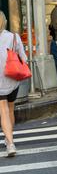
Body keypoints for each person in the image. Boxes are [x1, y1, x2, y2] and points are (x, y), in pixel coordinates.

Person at [0, 11, 27, 157]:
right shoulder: (13, 37)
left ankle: (10, 143)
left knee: (3, 109)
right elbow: (23, 57)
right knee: (10, 109)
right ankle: (9, 138)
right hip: (12, 78)